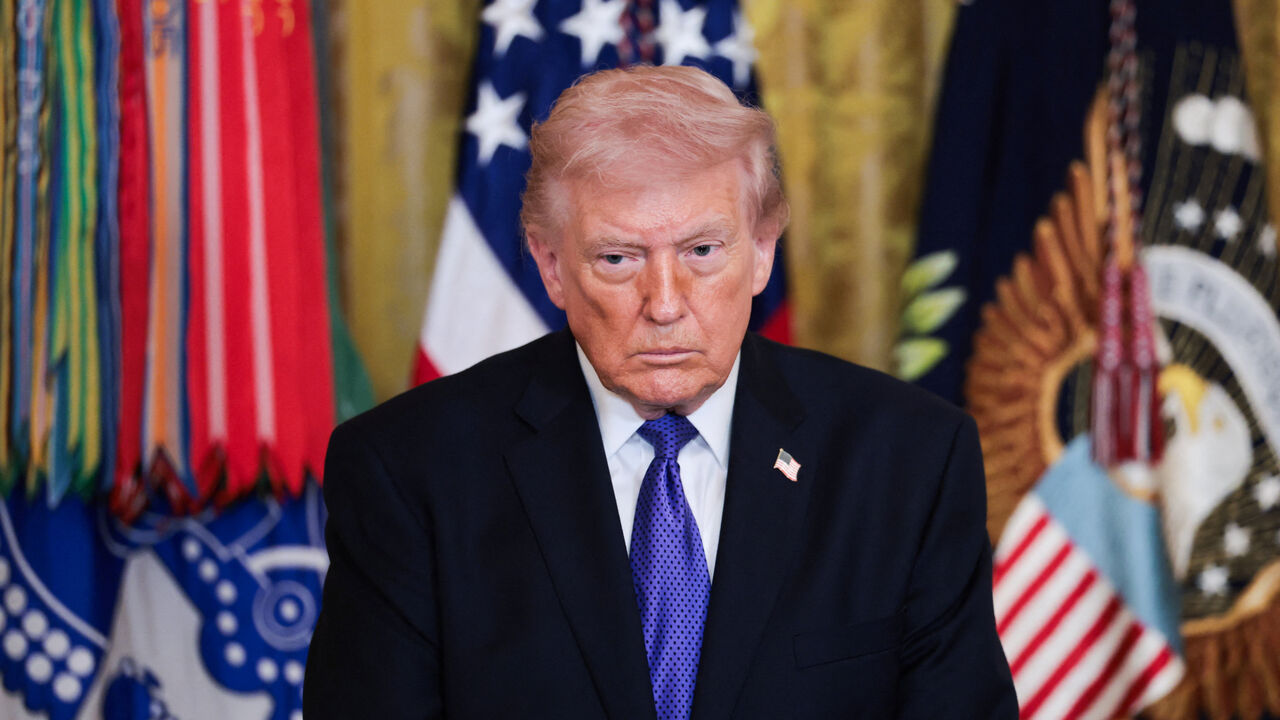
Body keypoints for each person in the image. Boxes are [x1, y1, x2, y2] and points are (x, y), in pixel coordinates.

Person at [304, 65, 1016, 719]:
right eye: (618, 258)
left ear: (763, 249)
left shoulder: (910, 459)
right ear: (551, 266)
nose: (666, 303)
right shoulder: (410, 470)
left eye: (703, 252)